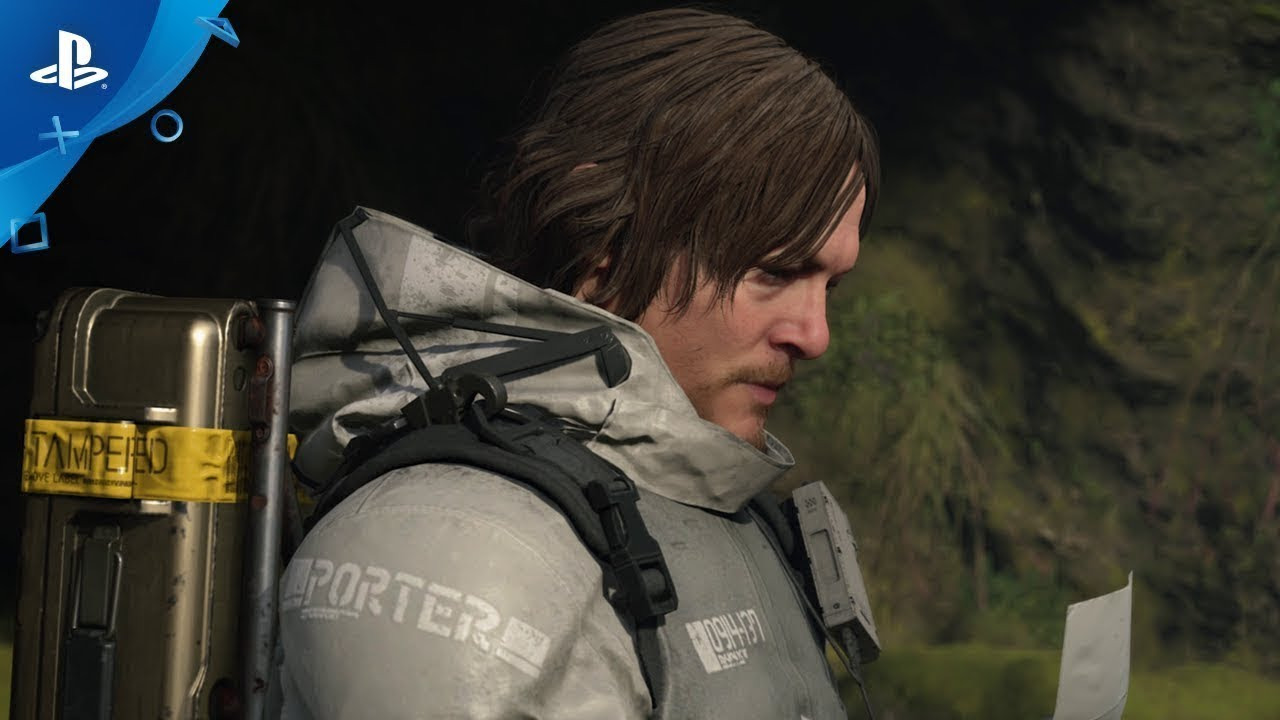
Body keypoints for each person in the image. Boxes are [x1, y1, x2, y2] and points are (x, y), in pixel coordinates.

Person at [275, 7, 878, 718]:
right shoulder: (451, 546)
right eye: (774, 272)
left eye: (830, 286)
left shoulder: (726, 509)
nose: (815, 336)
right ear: (603, 242)